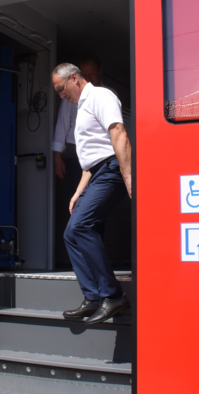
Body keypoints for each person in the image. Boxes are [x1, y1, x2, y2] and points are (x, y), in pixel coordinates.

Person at [51, 63, 132, 325]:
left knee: (81, 226)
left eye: (61, 89)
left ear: (74, 78)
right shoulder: (81, 106)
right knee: (70, 233)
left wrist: (128, 176)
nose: (61, 96)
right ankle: (94, 297)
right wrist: (77, 193)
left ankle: (113, 294)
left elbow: (118, 133)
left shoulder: (100, 96)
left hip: (111, 170)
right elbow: (90, 159)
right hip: (96, 172)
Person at [52, 55, 106, 192]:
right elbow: (62, 124)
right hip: (75, 153)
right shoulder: (70, 97)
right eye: (85, 74)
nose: (88, 77)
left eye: (91, 74)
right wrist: (57, 156)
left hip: (100, 153)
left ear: (100, 71)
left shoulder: (108, 95)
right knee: (78, 194)